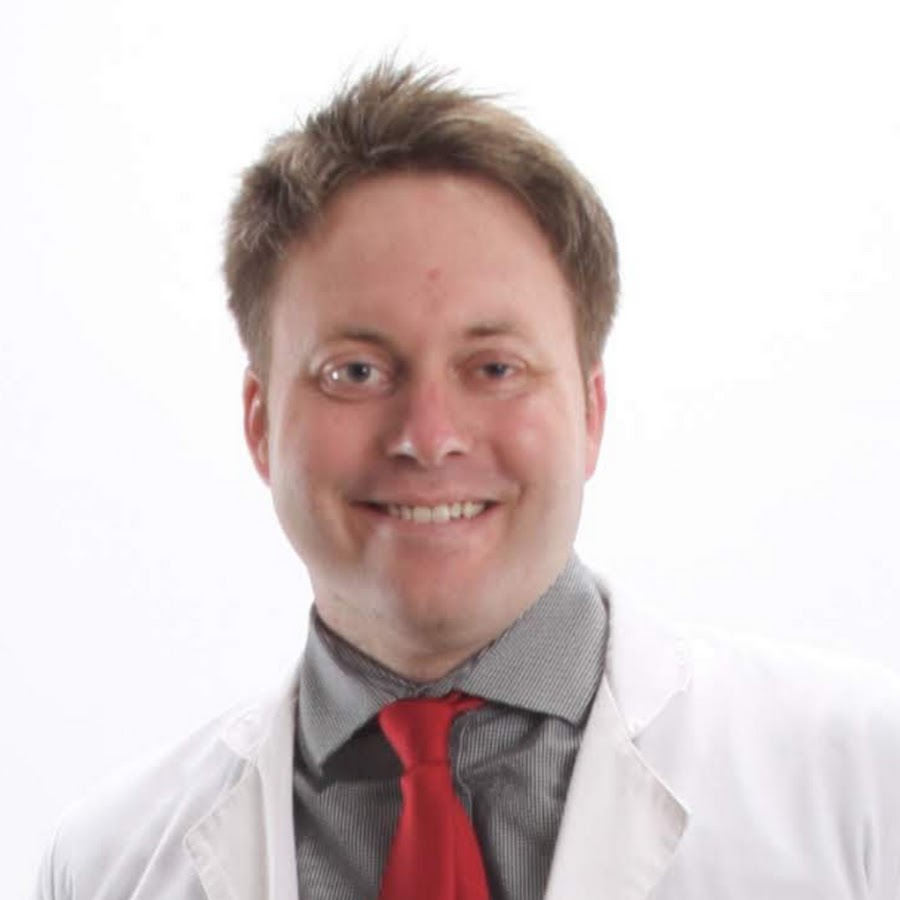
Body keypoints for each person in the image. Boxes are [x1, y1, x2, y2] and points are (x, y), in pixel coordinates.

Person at [35, 61, 900, 900]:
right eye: (356, 372)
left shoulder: (867, 783)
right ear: (260, 422)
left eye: (494, 368)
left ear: (591, 410)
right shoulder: (105, 870)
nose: (428, 436)